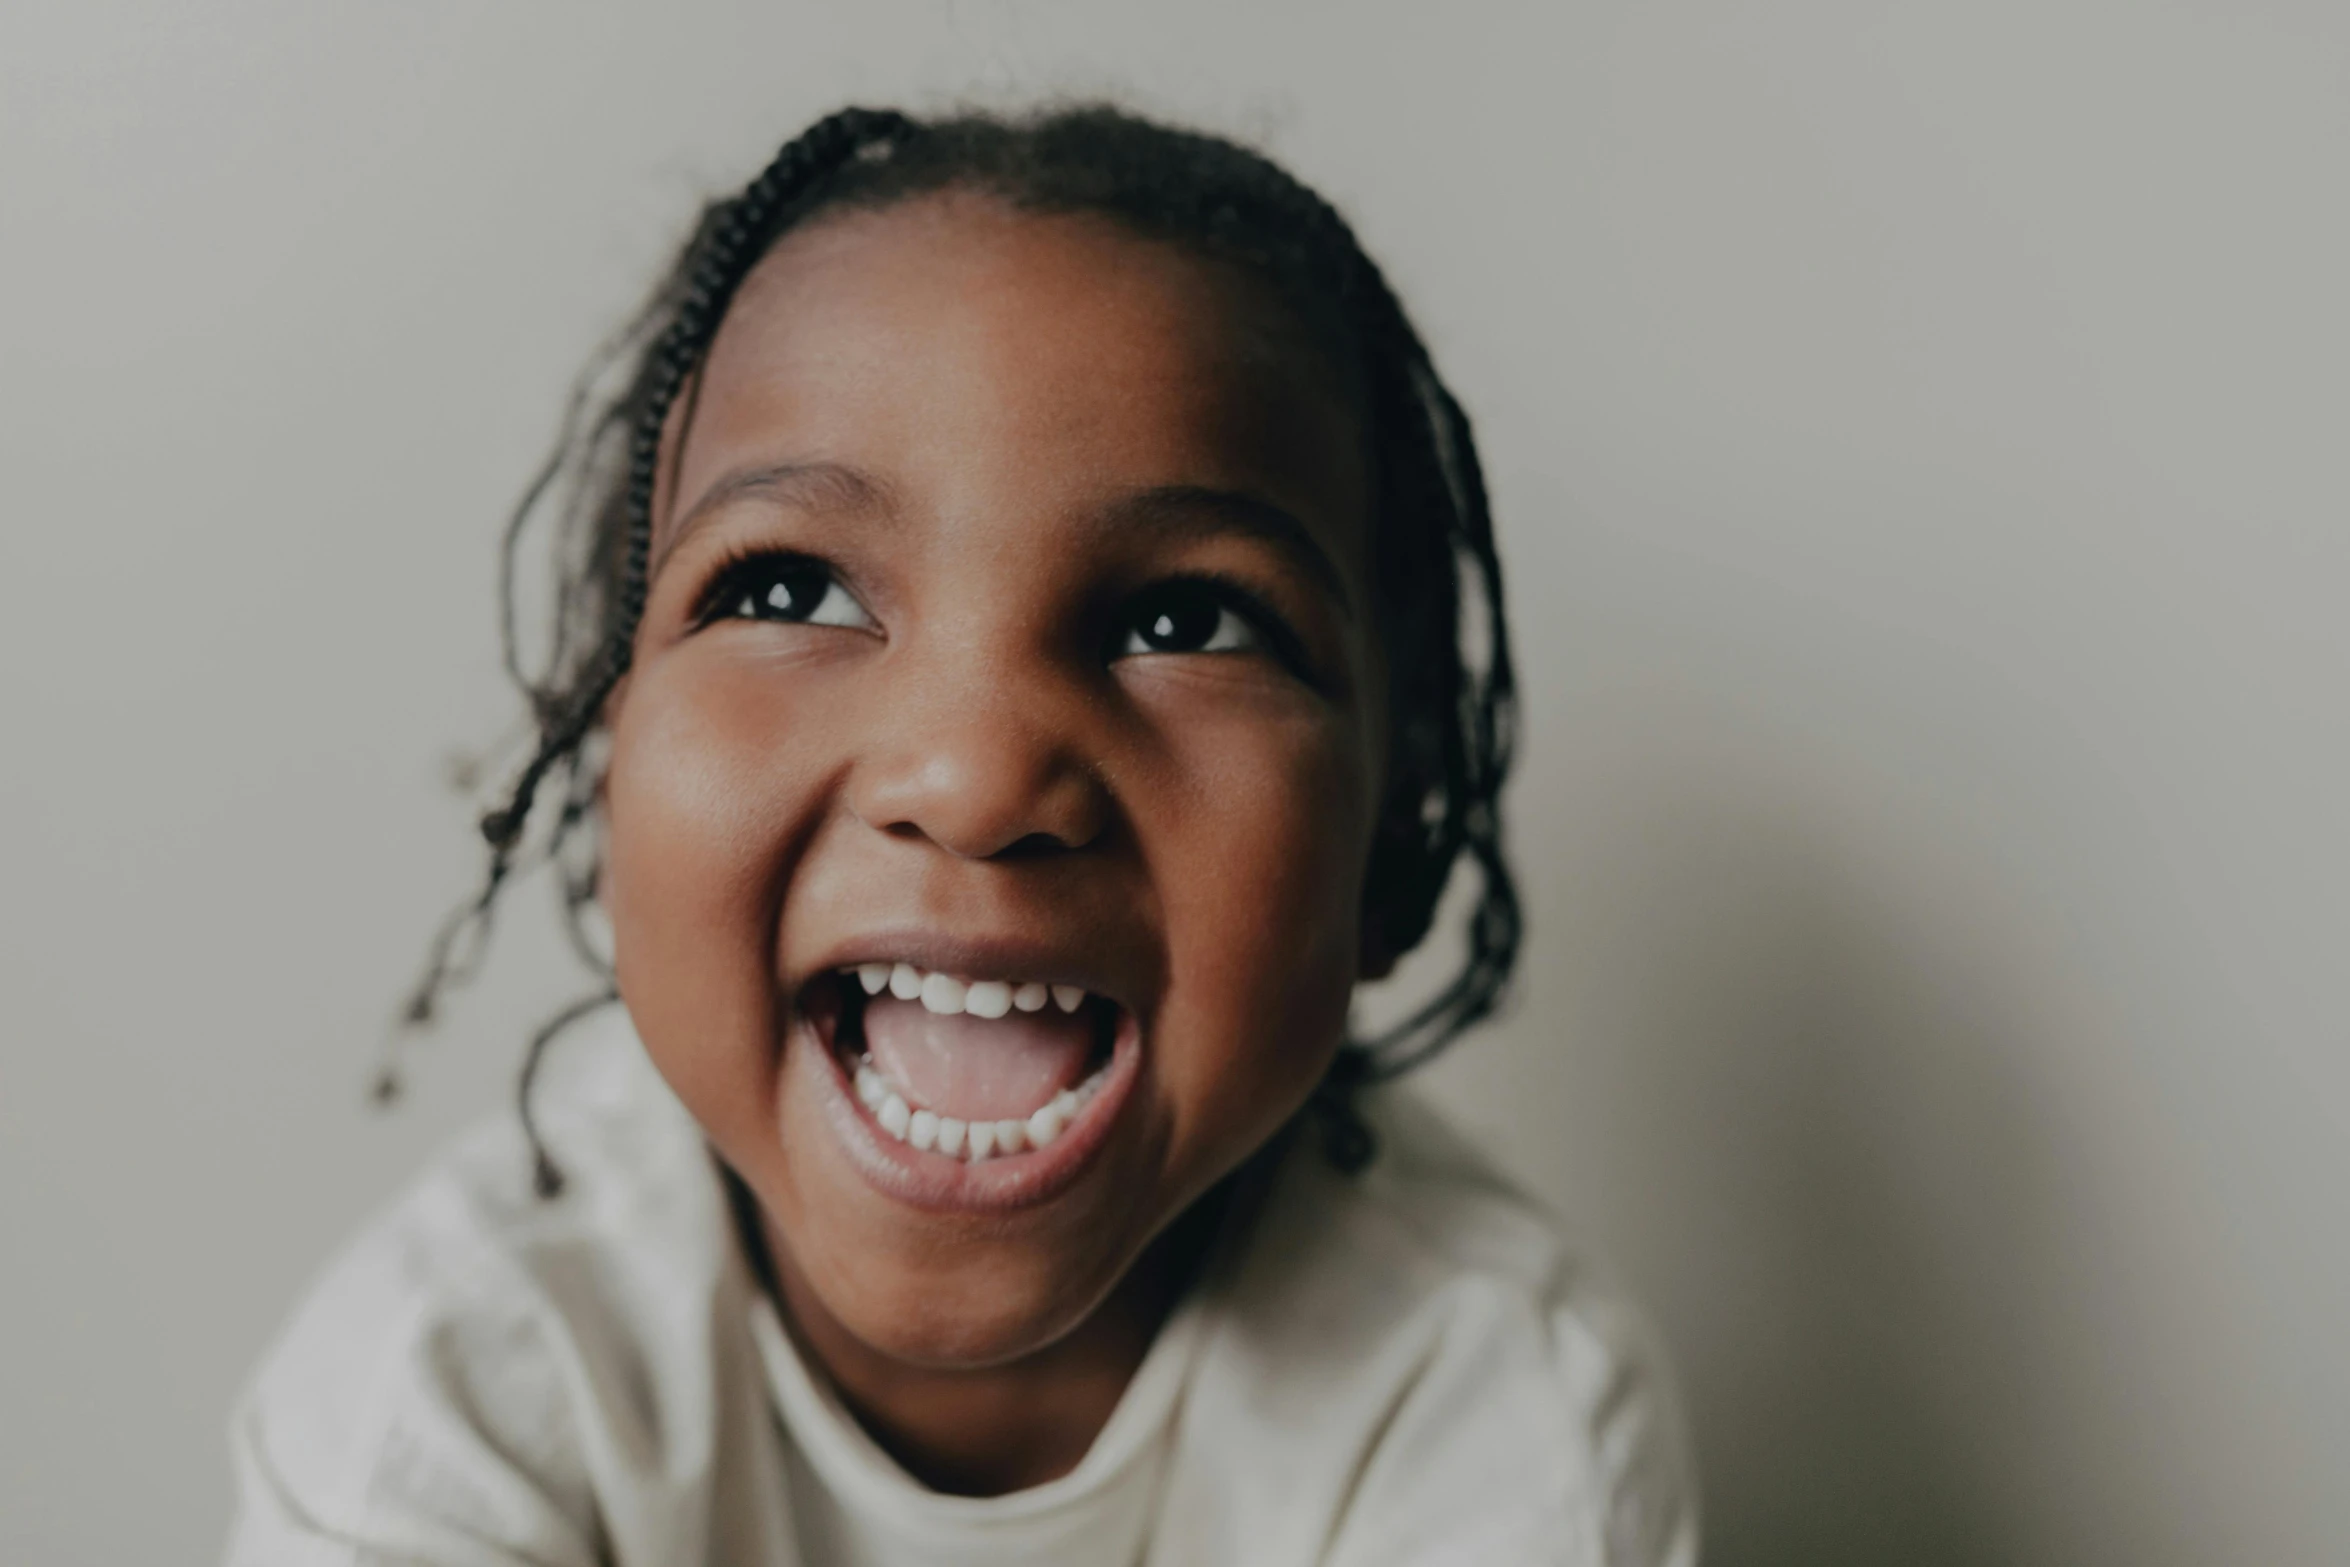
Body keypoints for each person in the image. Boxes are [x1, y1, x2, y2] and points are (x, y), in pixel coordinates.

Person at [223, 104, 1697, 1566]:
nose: (975, 776)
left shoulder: (1490, 1414)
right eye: (790, 590)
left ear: (1395, 833)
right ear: (607, 762)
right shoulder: (447, 1399)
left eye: (1186, 619)